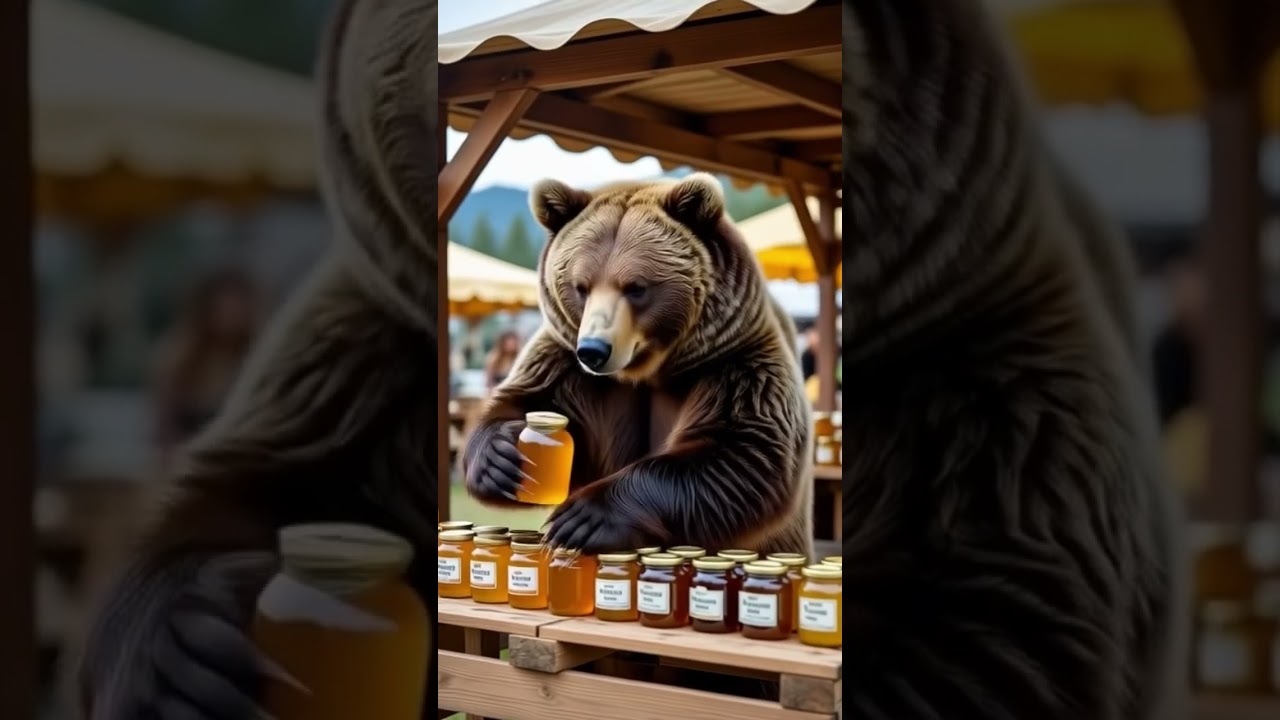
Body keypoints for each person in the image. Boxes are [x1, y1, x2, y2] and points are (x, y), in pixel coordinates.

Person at [150, 266, 261, 464]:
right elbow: (163, 427)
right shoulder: (177, 359)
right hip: (186, 467)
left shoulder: (258, 360)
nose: (231, 311)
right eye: (224, 303)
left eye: (237, 303)